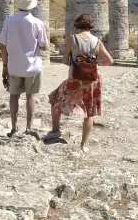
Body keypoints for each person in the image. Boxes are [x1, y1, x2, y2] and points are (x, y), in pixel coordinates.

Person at [45, 13, 113, 153]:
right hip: (93, 79)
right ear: (91, 25)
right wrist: (94, 64)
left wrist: (76, 64)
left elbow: (64, 60)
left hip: (75, 78)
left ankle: (55, 130)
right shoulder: (97, 41)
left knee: (56, 99)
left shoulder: (73, 39)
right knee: (90, 111)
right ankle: (84, 144)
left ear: (78, 25)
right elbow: (110, 61)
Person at [0, 0, 48, 137]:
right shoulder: (37, 23)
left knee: (14, 96)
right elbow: (44, 46)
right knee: (31, 96)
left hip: (13, 66)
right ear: (32, 6)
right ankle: (29, 127)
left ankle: (13, 128)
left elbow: (3, 45)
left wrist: (5, 66)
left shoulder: (8, 21)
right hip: (32, 67)